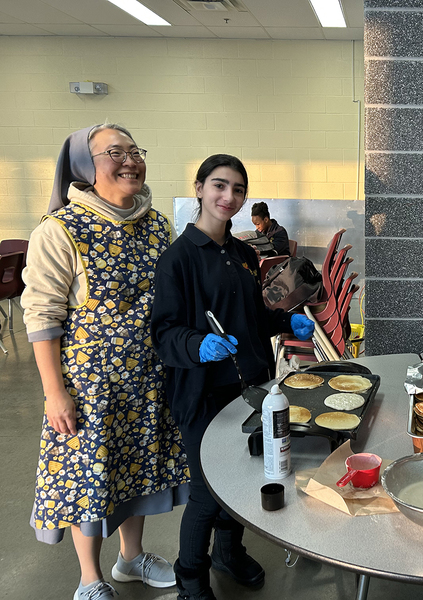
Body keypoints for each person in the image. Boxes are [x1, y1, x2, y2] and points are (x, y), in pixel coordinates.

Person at [22, 124, 190, 600]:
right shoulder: (60, 230)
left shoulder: (156, 224)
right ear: (84, 166)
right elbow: (42, 316)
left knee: (135, 470)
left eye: (135, 151)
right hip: (89, 387)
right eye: (115, 152)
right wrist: (54, 392)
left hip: (148, 379)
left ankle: (130, 559)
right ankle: (89, 580)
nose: (130, 160)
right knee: (90, 479)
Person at [150, 154, 315, 600]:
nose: (229, 196)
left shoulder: (243, 253)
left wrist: (286, 322)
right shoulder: (178, 259)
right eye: (219, 185)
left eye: (238, 189)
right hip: (202, 393)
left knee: (242, 478)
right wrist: (197, 344)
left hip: (250, 388)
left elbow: (253, 317)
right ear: (199, 188)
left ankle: (228, 552)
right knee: (206, 493)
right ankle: (190, 580)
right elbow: (164, 333)